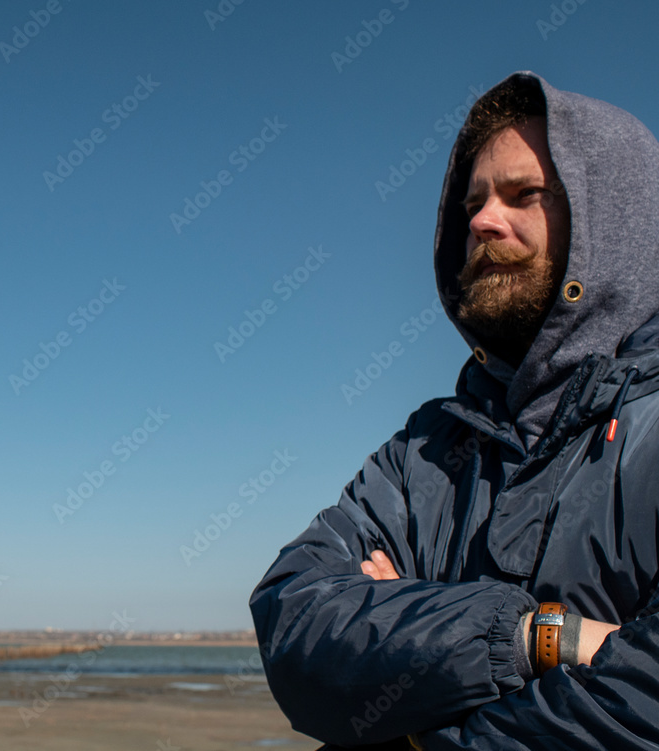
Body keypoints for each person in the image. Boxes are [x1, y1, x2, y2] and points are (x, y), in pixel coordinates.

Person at [249, 70, 659, 750]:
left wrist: (411, 710)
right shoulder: (425, 451)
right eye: (473, 201)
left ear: (611, 218)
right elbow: (294, 620)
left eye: (523, 194)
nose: (481, 220)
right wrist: (532, 638)